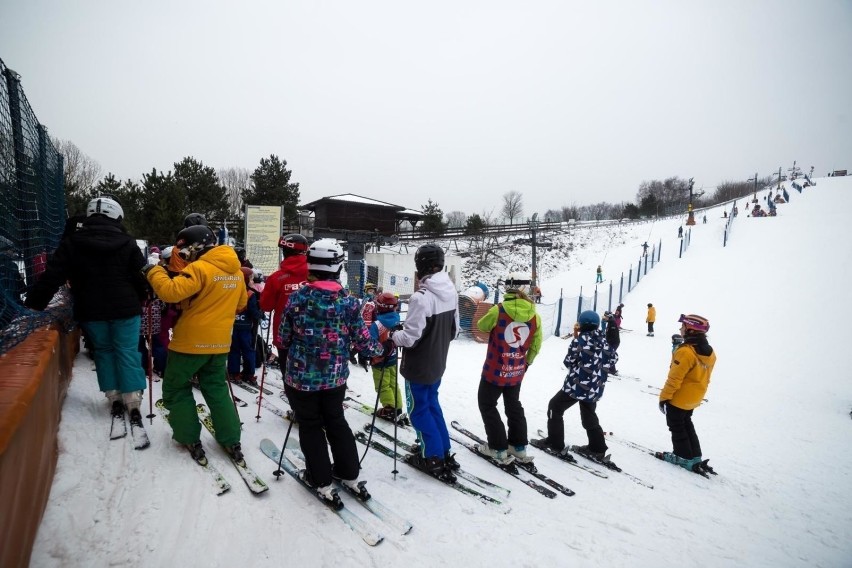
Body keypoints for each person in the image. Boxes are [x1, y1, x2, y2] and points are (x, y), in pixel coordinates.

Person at [277, 238, 384, 503]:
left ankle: (320, 478)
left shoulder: (297, 298)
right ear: (338, 267)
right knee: (335, 420)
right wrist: (380, 350)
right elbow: (362, 341)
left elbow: (283, 338)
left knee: (311, 424)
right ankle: (349, 472)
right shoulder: (348, 302)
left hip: (301, 378)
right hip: (334, 378)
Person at [25, 196, 149, 424]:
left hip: (92, 309)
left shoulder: (72, 242)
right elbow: (140, 275)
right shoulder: (128, 242)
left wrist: (34, 304)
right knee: (127, 350)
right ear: (116, 217)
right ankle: (132, 398)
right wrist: (145, 295)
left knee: (103, 351)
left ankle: (113, 396)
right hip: (126, 308)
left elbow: (52, 276)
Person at [145, 224, 248, 465]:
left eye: (184, 250)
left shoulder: (200, 269)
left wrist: (153, 272)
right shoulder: (236, 272)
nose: (183, 256)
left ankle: (188, 435)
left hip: (189, 344)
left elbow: (171, 292)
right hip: (220, 343)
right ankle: (231, 438)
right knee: (216, 388)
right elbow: (240, 304)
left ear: (194, 247)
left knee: (175, 388)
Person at [388, 243, 460, 482]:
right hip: (438, 361)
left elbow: (410, 338)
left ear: (420, 266)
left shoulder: (422, 297)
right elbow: (454, 330)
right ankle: (443, 449)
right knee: (432, 404)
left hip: (418, 366)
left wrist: (392, 336)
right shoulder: (450, 291)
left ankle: (432, 456)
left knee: (418, 410)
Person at [475, 272, 542, 465]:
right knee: (513, 404)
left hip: (494, 369)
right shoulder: (535, 316)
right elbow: (536, 345)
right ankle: (518, 446)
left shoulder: (499, 310)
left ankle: (497, 448)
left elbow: (482, 325)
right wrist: (526, 362)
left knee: (487, 404)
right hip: (516, 371)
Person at [532, 310, 618, 461]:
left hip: (576, 386)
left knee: (555, 407)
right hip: (594, 388)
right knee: (589, 415)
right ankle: (597, 449)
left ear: (581, 324)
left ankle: (554, 442)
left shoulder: (580, 340)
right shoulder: (603, 340)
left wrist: (579, 342)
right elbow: (613, 359)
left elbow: (568, 362)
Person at [658, 314, 716, 473]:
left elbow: (674, 378)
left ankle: (683, 457)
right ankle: (695, 456)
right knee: (687, 424)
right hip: (694, 397)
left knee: (676, 427)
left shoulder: (686, 352)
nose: (680, 329)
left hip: (679, 398)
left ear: (690, 330)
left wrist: (664, 398)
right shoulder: (708, 352)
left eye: (683, 326)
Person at [259, 233, 309, 369]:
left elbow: (266, 305)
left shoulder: (277, 278)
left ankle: (290, 390)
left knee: (287, 372)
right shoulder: (316, 275)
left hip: (284, 335)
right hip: (313, 334)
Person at [369, 292, 406, 423]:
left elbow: (370, 343)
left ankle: (390, 409)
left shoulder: (377, 325)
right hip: (393, 359)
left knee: (383, 385)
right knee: (393, 383)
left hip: (380, 361)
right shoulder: (396, 319)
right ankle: (397, 406)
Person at [227, 267, 264, 386]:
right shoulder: (250, 294)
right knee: (248, 350)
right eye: (251, 278)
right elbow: (253, 311)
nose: (252, 281)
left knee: (234, 350)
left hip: (233, 325)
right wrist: (260, 314)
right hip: (246, 327)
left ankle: (234, 372)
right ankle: (249, 373)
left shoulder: (231, 291)